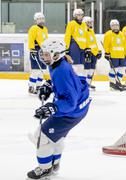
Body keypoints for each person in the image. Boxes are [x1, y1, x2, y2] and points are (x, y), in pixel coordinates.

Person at [27, 39, 91, 179]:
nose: (43, 57)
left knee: (41, 137)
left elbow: (70, 102)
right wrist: (50, 85)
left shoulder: (61, 69)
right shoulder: (57, 64)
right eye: (42, 54)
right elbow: (73, 82)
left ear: (56, 55)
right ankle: (54, 165)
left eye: (46, 54)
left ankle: (45, 169)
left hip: (71, 112)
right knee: (55, 137)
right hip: (77, 109)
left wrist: (53, 107)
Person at [103, 19, 126, 91]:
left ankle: (117, 82)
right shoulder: (108, 34)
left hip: (122, 55)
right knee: (114, 69)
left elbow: (125, 44)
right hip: (113, 55)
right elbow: (106, 44)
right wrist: (107, 53)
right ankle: (112, 84)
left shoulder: (122, 34)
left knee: (122, 68)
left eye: (116, 25)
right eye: (113, 25)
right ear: (111, 26)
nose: (115, 27)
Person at [64, 8, 89, 78]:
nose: (80, 16)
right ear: (74, 16)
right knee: (75, 65)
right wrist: (66, 48)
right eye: (78, 15)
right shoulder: (71, 24)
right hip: (74, 45)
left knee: (81, 66)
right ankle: (74, 81)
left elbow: (86, 37)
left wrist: (87, 48)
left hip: (83, 47)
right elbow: (67, 36)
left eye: (81, 15)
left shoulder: (84, 25)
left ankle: (79, 82)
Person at [28, 12, 48, 94]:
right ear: (35, 20)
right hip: (36, 50)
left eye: (42, 18)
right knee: (35, 70)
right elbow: (31, 39)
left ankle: (39, 86)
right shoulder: (33, 28)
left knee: (42, 70)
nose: (41, 20)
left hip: (44, 51)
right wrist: (32, 50)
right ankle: (31, 86)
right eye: (39, 19)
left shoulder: (45, 29)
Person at [83, 16, 102, 90]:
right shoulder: (83, 31)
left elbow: (94, 43)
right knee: (86, 69)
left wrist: (98, 51)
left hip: (93, 53)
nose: (90, 24)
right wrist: (85, 50)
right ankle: (84, 84)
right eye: (88, 22)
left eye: (91, 22)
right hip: (87, 53)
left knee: (92, 69)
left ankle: (88, 83)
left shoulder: (91, 31)